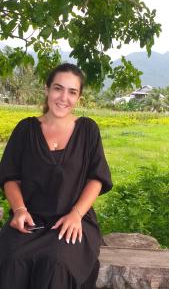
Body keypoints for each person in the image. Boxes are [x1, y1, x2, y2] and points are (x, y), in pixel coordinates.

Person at [0, 63, 112, 289]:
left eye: (72, 92)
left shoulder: (88, 130)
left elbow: (96, 178)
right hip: (30, 220)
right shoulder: (26, 129)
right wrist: (20, 210)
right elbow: (9, 177)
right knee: (12, 260)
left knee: (56, 264)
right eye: (58, 88)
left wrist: (76, 214)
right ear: (47, 89)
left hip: (72, 220)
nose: (64, 97)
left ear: (79, 98)